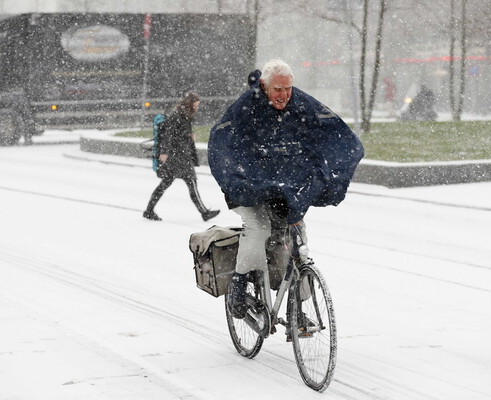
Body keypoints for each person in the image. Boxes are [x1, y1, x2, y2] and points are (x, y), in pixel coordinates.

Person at [208, 59, 364, 318]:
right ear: (263, 85)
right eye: (277, 89)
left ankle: (297, 306)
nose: (283, 95)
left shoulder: (302, 104)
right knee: (258, 228)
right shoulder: (244, 108)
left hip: (285, 188)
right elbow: (222, 146)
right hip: (250, 186)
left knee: (297, 238)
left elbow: (336, 136)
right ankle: (239, 282)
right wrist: (241, 182)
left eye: (287, 89)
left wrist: (329, 176)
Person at [143, 92, 220, 222]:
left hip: (178, 155)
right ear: (191, 104)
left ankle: (149, 210)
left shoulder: (183, 115)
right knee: (192, 183)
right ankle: (204, 212)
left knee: (166, 183)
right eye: (197, 104)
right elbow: (169, 135)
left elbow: (176, 134)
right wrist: (165, 152)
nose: (198, 106)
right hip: (179, 156)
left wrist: (188, 136)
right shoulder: (177, 116)